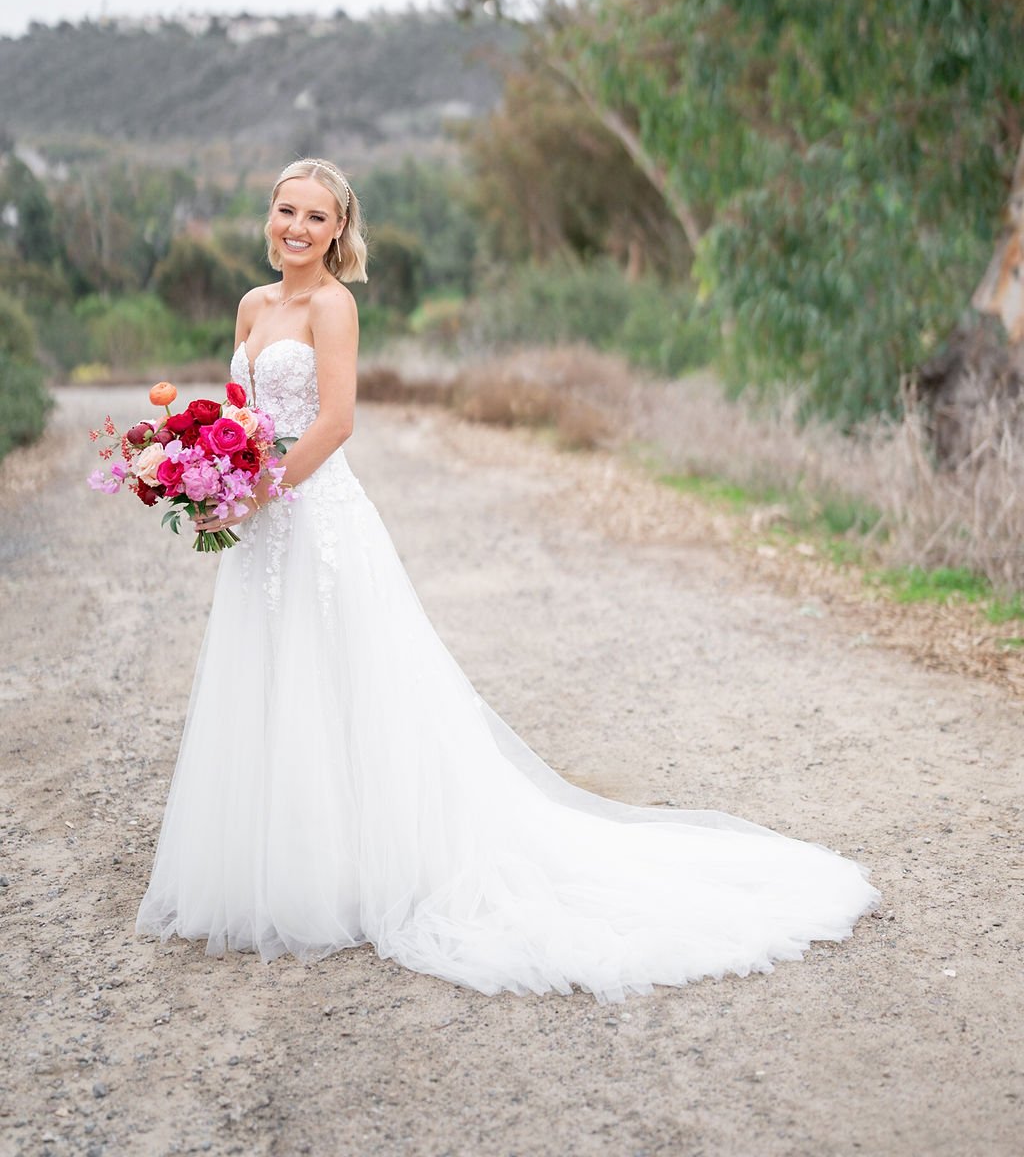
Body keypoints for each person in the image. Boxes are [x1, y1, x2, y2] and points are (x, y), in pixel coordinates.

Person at [136, 156, 880, 1001]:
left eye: (314, 217)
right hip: (261, 527)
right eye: (284, 211)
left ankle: (359, 872)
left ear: (339, 231)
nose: (296, 229)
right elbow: (240, 414)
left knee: (342, 679)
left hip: (314, 518)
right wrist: (207, 474)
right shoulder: (251, 305)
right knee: (273, 678)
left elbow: (336, 422)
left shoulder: (333, 306)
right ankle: (280, 864)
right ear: (267, 217)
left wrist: (257, 490)